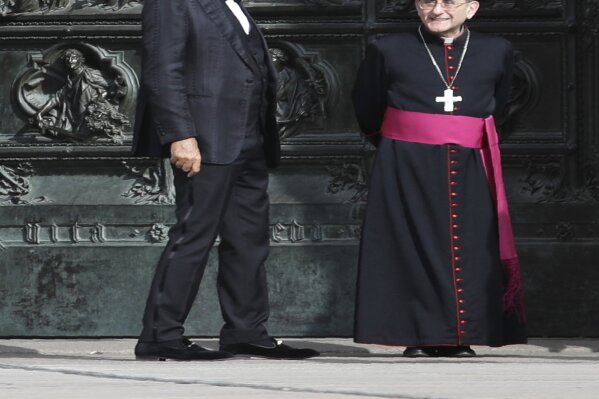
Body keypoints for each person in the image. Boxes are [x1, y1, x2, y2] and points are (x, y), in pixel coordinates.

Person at [132, 0, 319, 361]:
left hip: (248, 138)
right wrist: (179, 135)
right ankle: (160, 335)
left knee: (248, 239)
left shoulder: (232, 4)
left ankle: (245, 332)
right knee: (194, 235)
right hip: (204, 138)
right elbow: (161, 71)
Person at [352, 0, 527, 358]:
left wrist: (461, 135)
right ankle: (418, 334)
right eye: (427, 1)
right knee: (409, 246)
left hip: (471, 163)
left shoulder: (497, 50)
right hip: (405, 161)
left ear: (472, 8)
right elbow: (366, 107)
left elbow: (502, 104)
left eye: (449, 1)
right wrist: (409, 137)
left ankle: (460, 336)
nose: (437, 9)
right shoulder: (387, 49)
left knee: (472, 247)